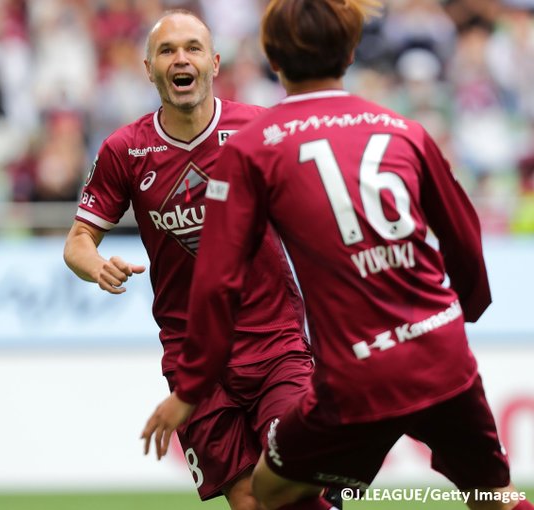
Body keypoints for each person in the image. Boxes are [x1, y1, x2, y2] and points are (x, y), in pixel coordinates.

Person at [141, 1, 534, 510]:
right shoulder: (404, 129)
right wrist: (465, 313)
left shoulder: (252, 148)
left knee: (268, 491)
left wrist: (190, 388)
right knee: (493, 496)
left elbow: (218, 282)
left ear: (273, 60)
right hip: (443, 355)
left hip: (355, 371)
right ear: (350, 54)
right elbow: (465, 239)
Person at [63, 10, 326, 510]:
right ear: (149, 69)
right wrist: (97, 266)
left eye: (192, 48)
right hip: (193, 358)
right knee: (247, 501)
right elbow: (77, 240)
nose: (180, 59)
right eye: (167, 51)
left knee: (293, 482)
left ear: (214, 63)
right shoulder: (125, 150)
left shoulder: (260, 130)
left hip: (275, 341)